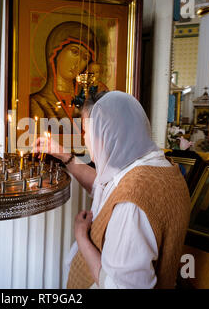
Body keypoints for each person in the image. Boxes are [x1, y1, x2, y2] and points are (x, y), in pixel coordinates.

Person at [35, 91, 191, 289]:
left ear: (105, 132)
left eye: (85, 130)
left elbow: (119, 286)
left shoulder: (133, 202)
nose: (84, 138)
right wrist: (64, 156)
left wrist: (82, 236)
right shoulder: (158, 168)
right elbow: (108, 188)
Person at [30, 21, 97, 120]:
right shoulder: (38, 102)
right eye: (74, 52)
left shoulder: (88, 102)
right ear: (55, 52)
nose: (78, 62)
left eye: (85, 58)